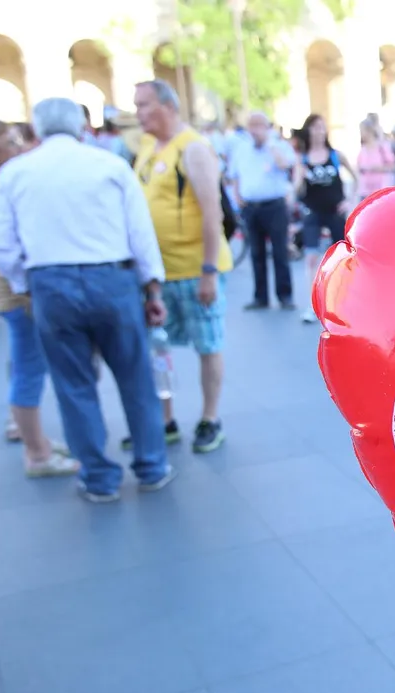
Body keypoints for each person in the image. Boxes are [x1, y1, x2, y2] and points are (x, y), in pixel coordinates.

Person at [0, 98, 174, 502]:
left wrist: (27, 283)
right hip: (112, 278)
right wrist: (153, 288)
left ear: (37, 129)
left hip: (51, 282)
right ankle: (151, 465)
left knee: (73, 385)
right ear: (81, 126)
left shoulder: (14, 173)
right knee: (136, 377)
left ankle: (99, 477)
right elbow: (140, 233)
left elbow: (2, 247)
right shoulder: (109, 165)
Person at [0, 117, 80, 476]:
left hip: (12, 291)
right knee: (29, 371)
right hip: (16, 294)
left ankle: (35, 440)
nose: (18, 148)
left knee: (24, 365)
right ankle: (37, 453)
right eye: (10, 143)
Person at [132, 79, 233, 453]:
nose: (138, 113)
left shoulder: (193, 148)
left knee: (208, 345)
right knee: (157, 348)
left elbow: (212, 212)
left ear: (168, 106)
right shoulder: (146, 147)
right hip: (156, 273)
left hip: (194, 270)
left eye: (144, 105)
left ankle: (210, 419)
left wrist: (208, 270)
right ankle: (165, 420)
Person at [228, 111, 297, 310]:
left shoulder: (278, 146)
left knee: (279, 252)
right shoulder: (241, 149)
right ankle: (260, 297)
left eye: (259, 125)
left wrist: (270, 146)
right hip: (251, 207)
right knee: (256, 253)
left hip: (274, 205)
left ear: (267, 127)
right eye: (252, 125)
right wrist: (238, 197)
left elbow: (285, 165)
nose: (255, 130)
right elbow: (235, 175)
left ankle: (284, 295)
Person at [295, 114, 358, 325]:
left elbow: (355, 177)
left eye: (322, 127)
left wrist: (349, 201)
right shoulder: (303, 158)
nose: (319, 131)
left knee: (341, 257)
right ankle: (313, 305)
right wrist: (299, 175)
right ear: (308, 131)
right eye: (315, 128)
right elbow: (297, 189)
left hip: (334, 211)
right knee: (311, 257)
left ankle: (343, 303)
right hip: (313, 211)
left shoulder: (335, 155)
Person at [356, 120, 395, 199]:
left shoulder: (382, 147)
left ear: (369, 131)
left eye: (362, 131)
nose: (361, 134)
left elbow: (393, 166)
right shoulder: (363, 149)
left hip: (381, 192)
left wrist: (375, 168)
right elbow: (359, 166)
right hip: (365, 193)